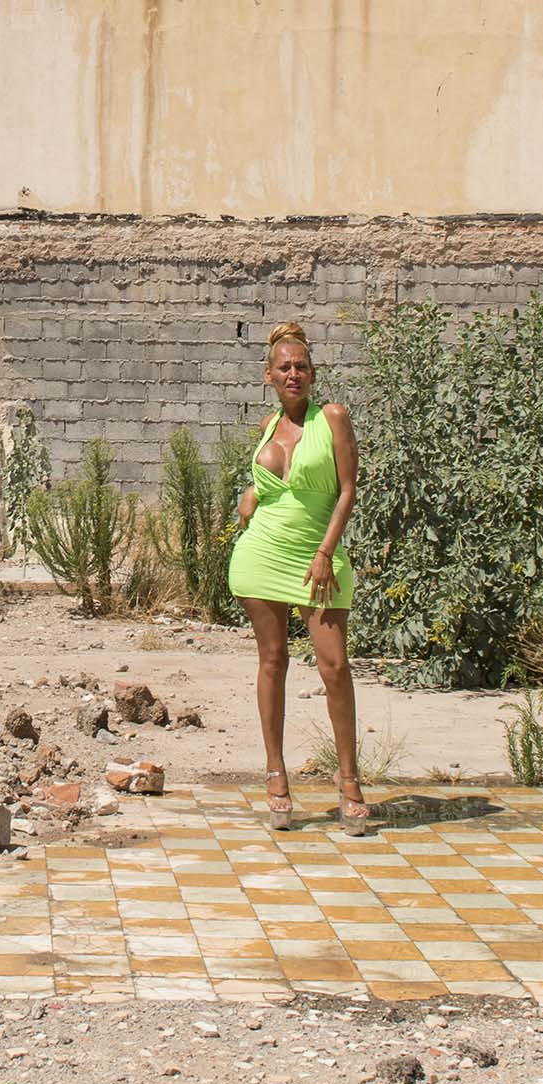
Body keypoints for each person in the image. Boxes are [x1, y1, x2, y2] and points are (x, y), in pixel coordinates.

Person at [225, 321, 368, 832]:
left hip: (317, 557)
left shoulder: (332, 418)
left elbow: (348, 489)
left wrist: (327, 550)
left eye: (301, 366)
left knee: (333, 666)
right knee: (272, 660)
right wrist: (251, 493)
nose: (293, 374)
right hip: (261, 553)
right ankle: (275, 773)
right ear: (269, 374)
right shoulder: (267, 426)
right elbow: (269, 482)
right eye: (284, 367)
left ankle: (349, 780)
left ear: (313, 374)